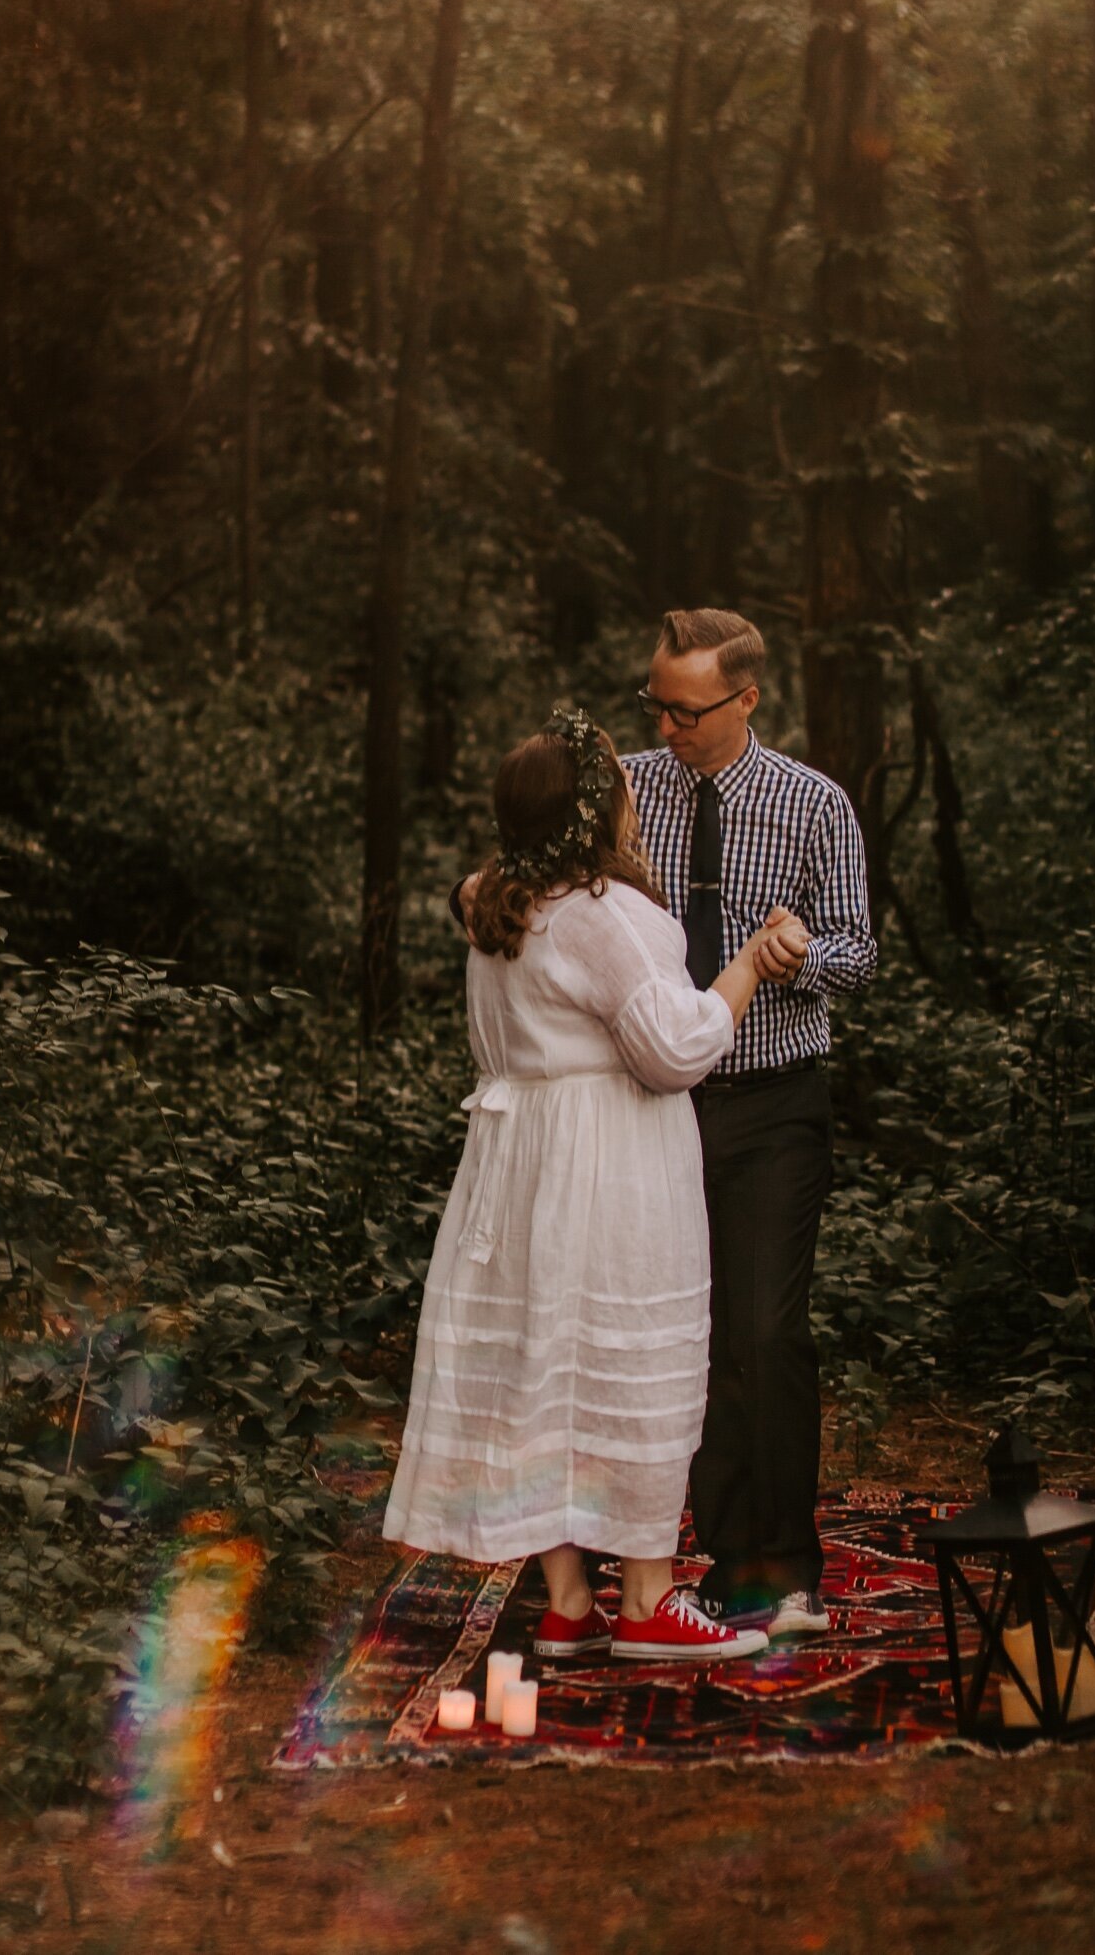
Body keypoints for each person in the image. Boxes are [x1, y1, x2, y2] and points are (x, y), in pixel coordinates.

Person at [385, 705, 790, 1662]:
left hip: (519, 1165)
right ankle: (646, 1602)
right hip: (609, 1164)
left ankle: (568, 1600)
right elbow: (676, 1050)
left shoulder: (492, 900)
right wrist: (745, 970)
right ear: (594, 811)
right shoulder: (609, 917)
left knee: (551, 1369)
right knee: (634, 1362)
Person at [622, 608, 877, 1636]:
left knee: (768, 1329)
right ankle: (726, 1560)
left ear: (745, 699)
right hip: (655, 1106)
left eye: (687, 710)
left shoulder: (813, 803)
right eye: (657, 706)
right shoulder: (629, 789)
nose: (669, 727)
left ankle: (789, 1561)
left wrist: (800, 954)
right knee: (696, 1334)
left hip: (774, 1104)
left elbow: (860, 952)